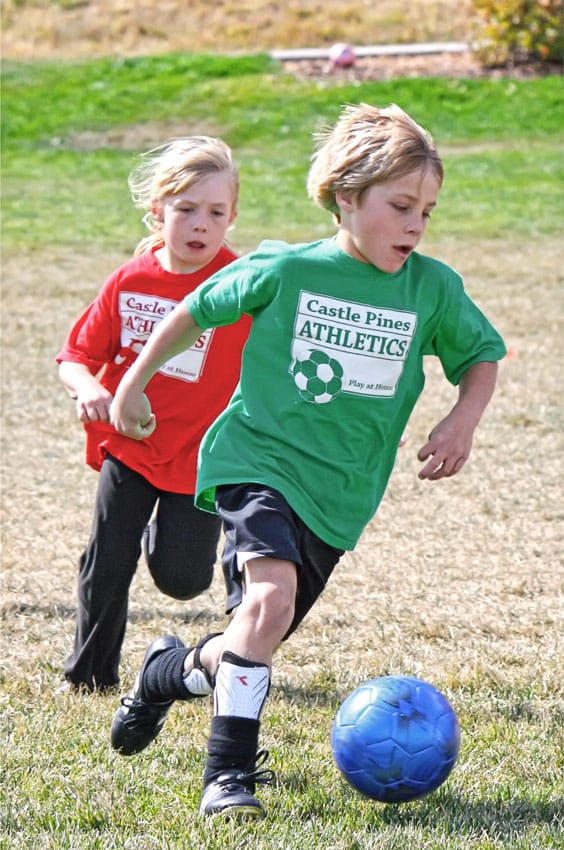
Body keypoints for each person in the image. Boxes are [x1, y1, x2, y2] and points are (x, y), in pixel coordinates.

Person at [108, 103, 506, 818]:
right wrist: (133, 382)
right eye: (401, 205)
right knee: (268, 604)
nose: (417, 224)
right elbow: (196, 311)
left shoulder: (431, 289)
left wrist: (460, 422)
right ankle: (228, 776)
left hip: (340, 494)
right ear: (347, 199)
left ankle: (166, 673)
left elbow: (480, 358)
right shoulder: (287, 268)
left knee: (252, 635)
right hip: (258, 461)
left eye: (428, 210)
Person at [56, 136, 251, 693]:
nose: (200, 224)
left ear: (231, 217)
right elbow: (74, 357)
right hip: (132, 446)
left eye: (215, 213)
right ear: (157, 211)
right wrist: (90, 388)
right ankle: (88, 677)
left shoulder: (241, 286)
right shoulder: (130, 281)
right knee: (105, 561)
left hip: (201, 458)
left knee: (182, 580)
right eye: (186, 209)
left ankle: (159, 539)